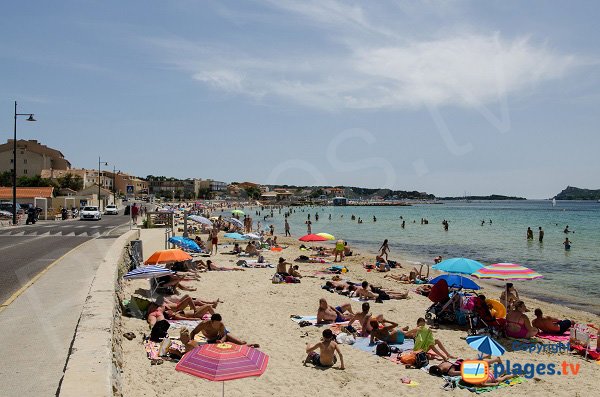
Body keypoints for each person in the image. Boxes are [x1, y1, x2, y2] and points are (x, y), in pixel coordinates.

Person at [190, 313, 258, 346]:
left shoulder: (221, 324)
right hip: (210, 339)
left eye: (218, 323)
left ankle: (250, 345)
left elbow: (224, 335)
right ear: (211, 321)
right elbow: (193, 333)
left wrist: (221, 340)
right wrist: (191, 342)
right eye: (216, 324)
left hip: (218, 337)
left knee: (240, 342)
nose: (218, 325)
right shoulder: (204, 324)